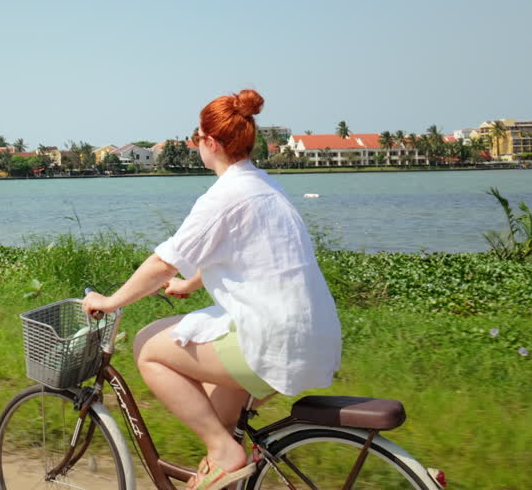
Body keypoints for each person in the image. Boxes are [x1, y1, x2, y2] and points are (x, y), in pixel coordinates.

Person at [82, 89, 342, 490]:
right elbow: (236, 248)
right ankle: (227, 457)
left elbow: (162, 263)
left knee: (149, 348)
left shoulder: (224, 196)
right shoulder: (264, 186)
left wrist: (110, 300)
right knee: (216, 415)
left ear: (210, 142)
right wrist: (192, 282)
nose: (193, 144)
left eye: (195, 136)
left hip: (271, 338)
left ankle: (225, 452)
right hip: (311, 335)